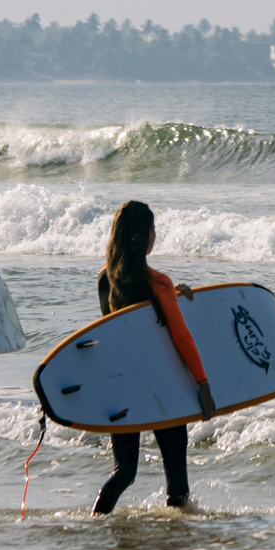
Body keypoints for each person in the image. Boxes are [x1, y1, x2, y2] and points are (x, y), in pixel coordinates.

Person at [90, 200, 211, 513]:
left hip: (122, 388)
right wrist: (203, 383)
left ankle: (95, 523)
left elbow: (129, 328)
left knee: (124, 473)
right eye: (153, 229)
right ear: (145, 236)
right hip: (161, 388)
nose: (155, 235)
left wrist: (172, 298)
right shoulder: (159, 283)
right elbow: (181, 338)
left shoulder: (106, 279)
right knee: (177, 485)